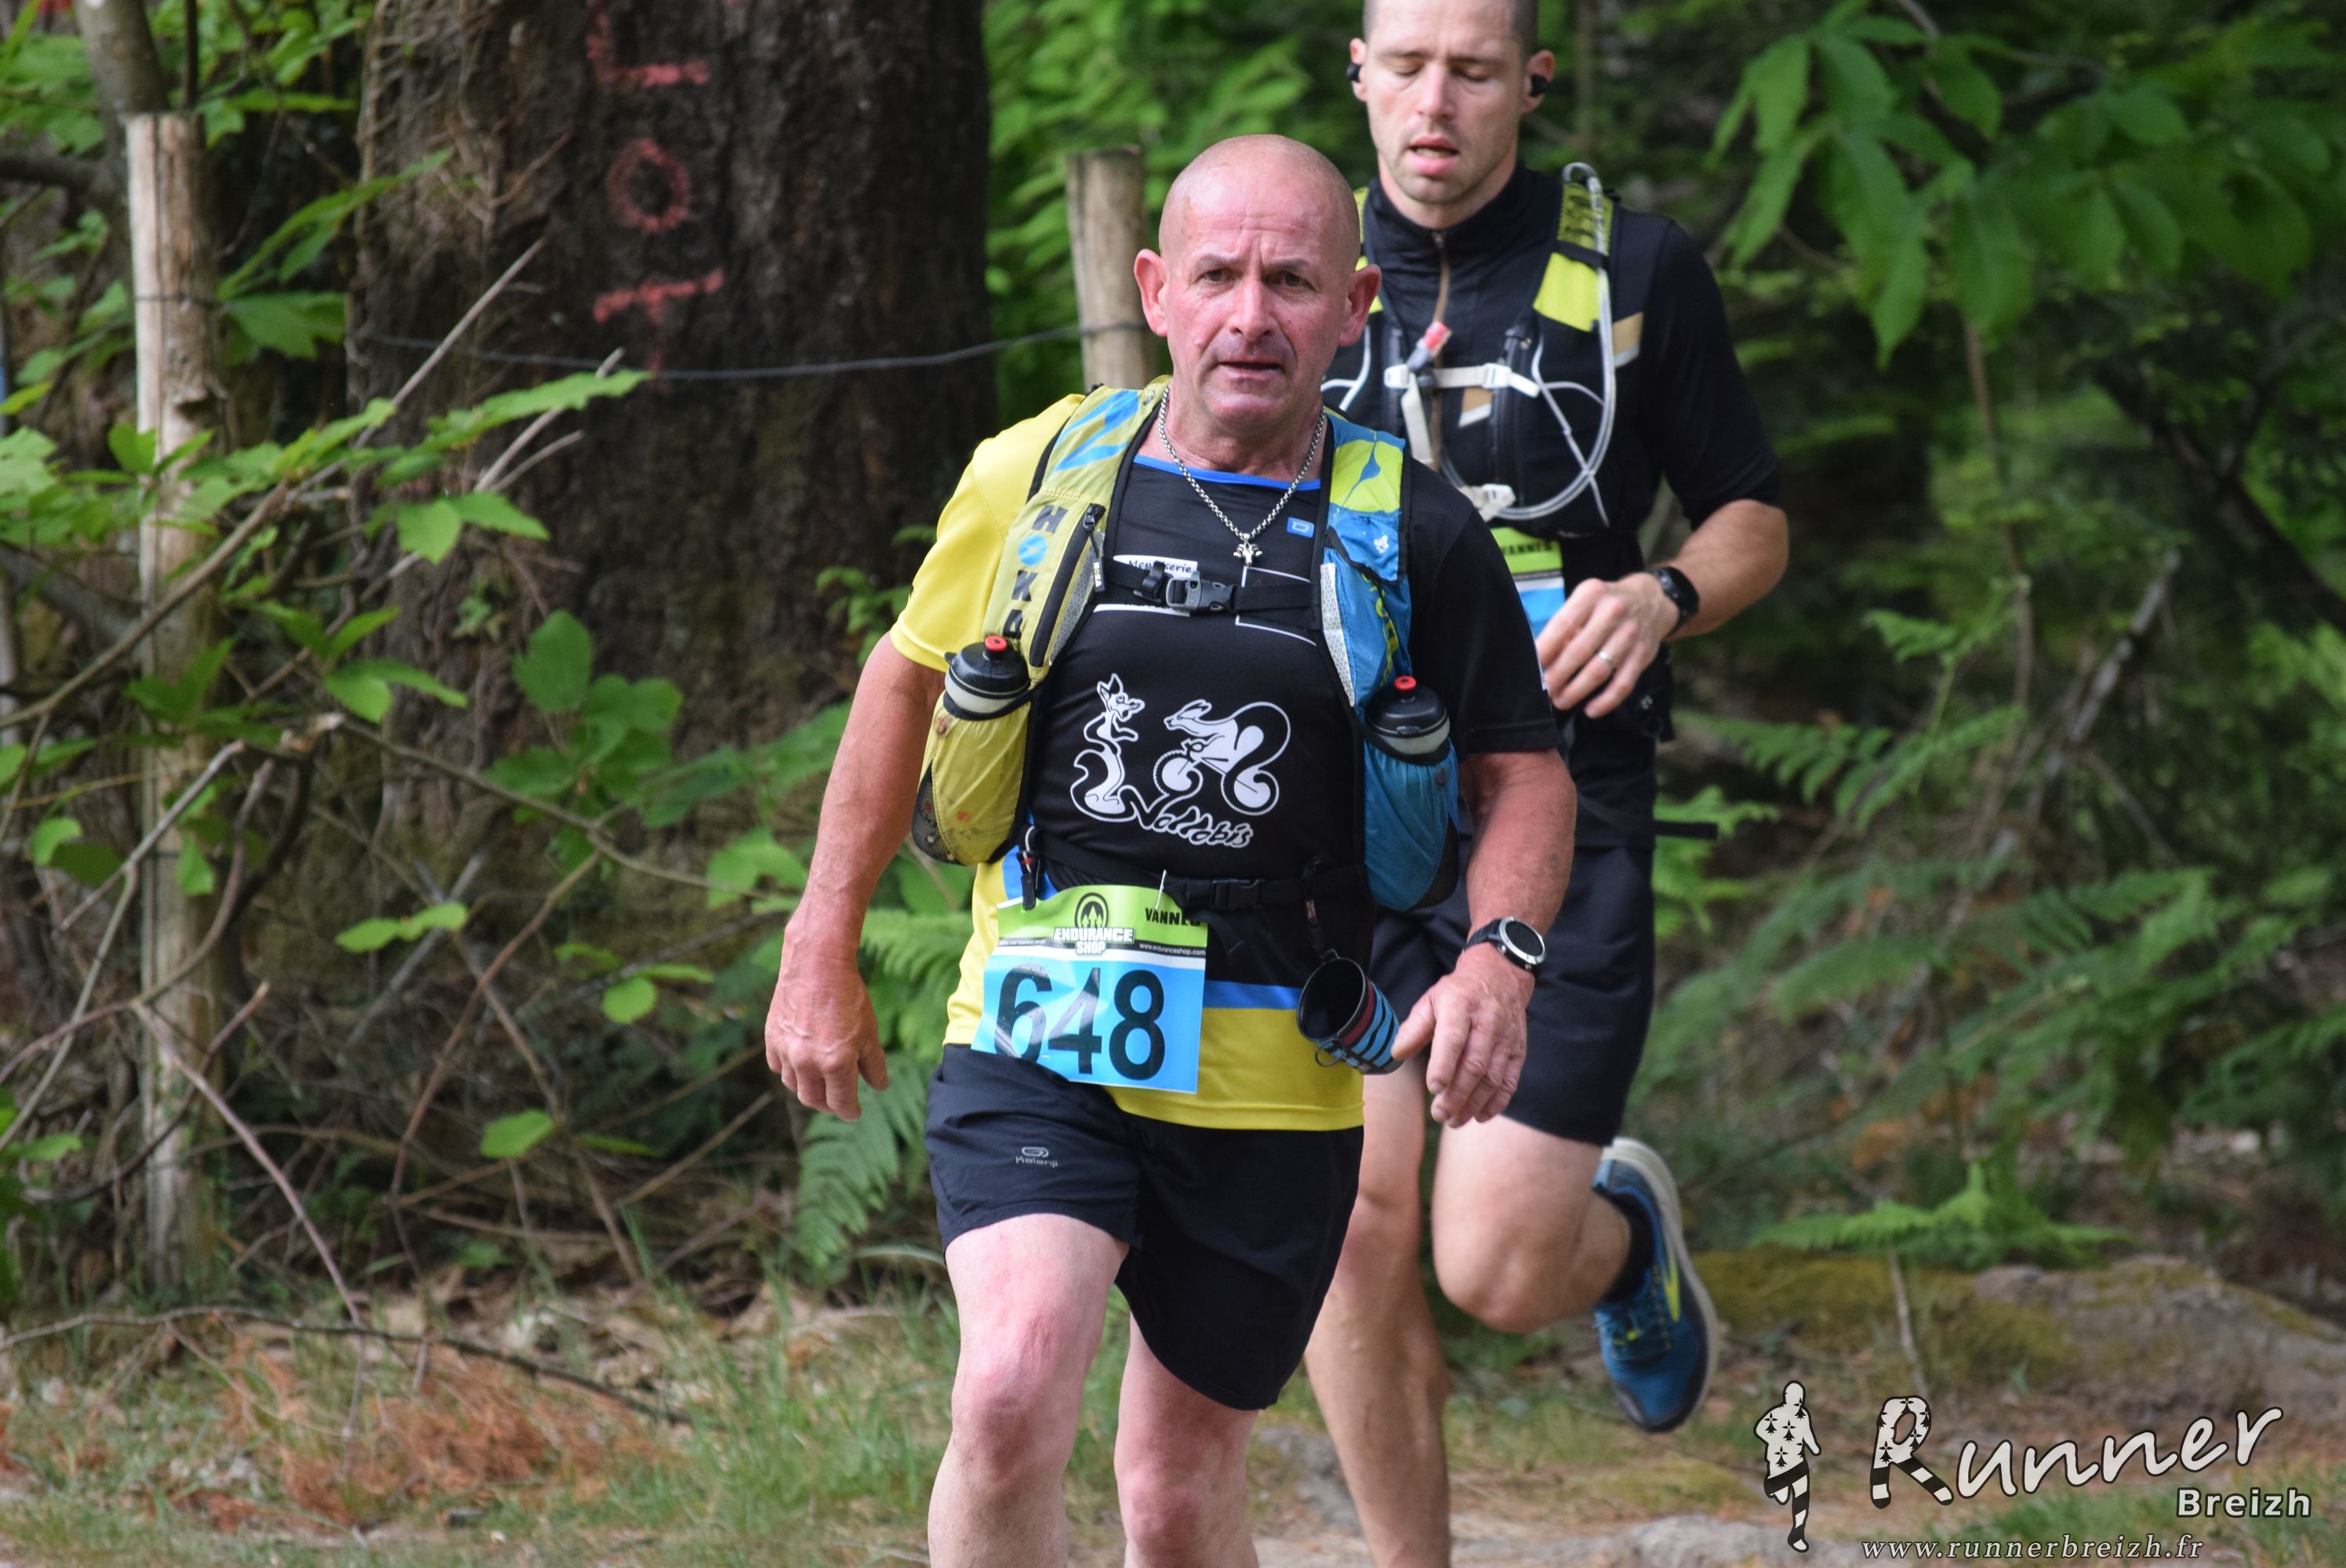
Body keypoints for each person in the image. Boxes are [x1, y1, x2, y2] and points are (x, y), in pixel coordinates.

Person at [765, 133, 1572, 1568]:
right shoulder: (1037, 475)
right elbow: (902, 680)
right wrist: (821, 934)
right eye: (1216, 276)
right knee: (1007, 1394)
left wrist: (1498, 964)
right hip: (1039, 1022)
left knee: (1178, 1491)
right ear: (1154, 291)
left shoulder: (1420, 531)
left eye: (1291, 282)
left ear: (1354, 307)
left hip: (1277, 1076)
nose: (1249, 317)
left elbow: (1525, 772)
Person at [1304, 2, 1792, 1563]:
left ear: (1531, 80)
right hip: (1344, 823)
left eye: (1470, 70)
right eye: (1405, 67)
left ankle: (1620, 1236)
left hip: (1564, 808)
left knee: (1494, 1270)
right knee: (1348, 1225)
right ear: (1358, 74)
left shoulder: (1637, 270)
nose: (1434, 105)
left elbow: (1750, 512)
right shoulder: (1295, 268)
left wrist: (1662, 595)